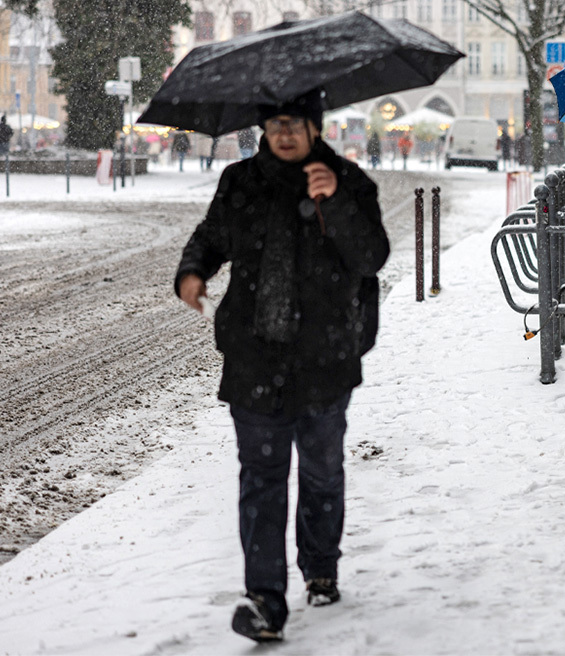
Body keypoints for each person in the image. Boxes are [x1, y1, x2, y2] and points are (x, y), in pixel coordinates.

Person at [174, 88, 389, 643]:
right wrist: (192, 272)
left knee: (321, 472)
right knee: (262, 480)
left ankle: (320, 567)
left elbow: (371, 257)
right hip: (254, 356)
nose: (284, 135)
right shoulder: (241, 182)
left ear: (315, 128)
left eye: (294, 124)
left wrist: (335, 201)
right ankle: (265, 600)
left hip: (324, 358)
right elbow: (211, 236)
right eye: (274, 126)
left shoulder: (349, 182)